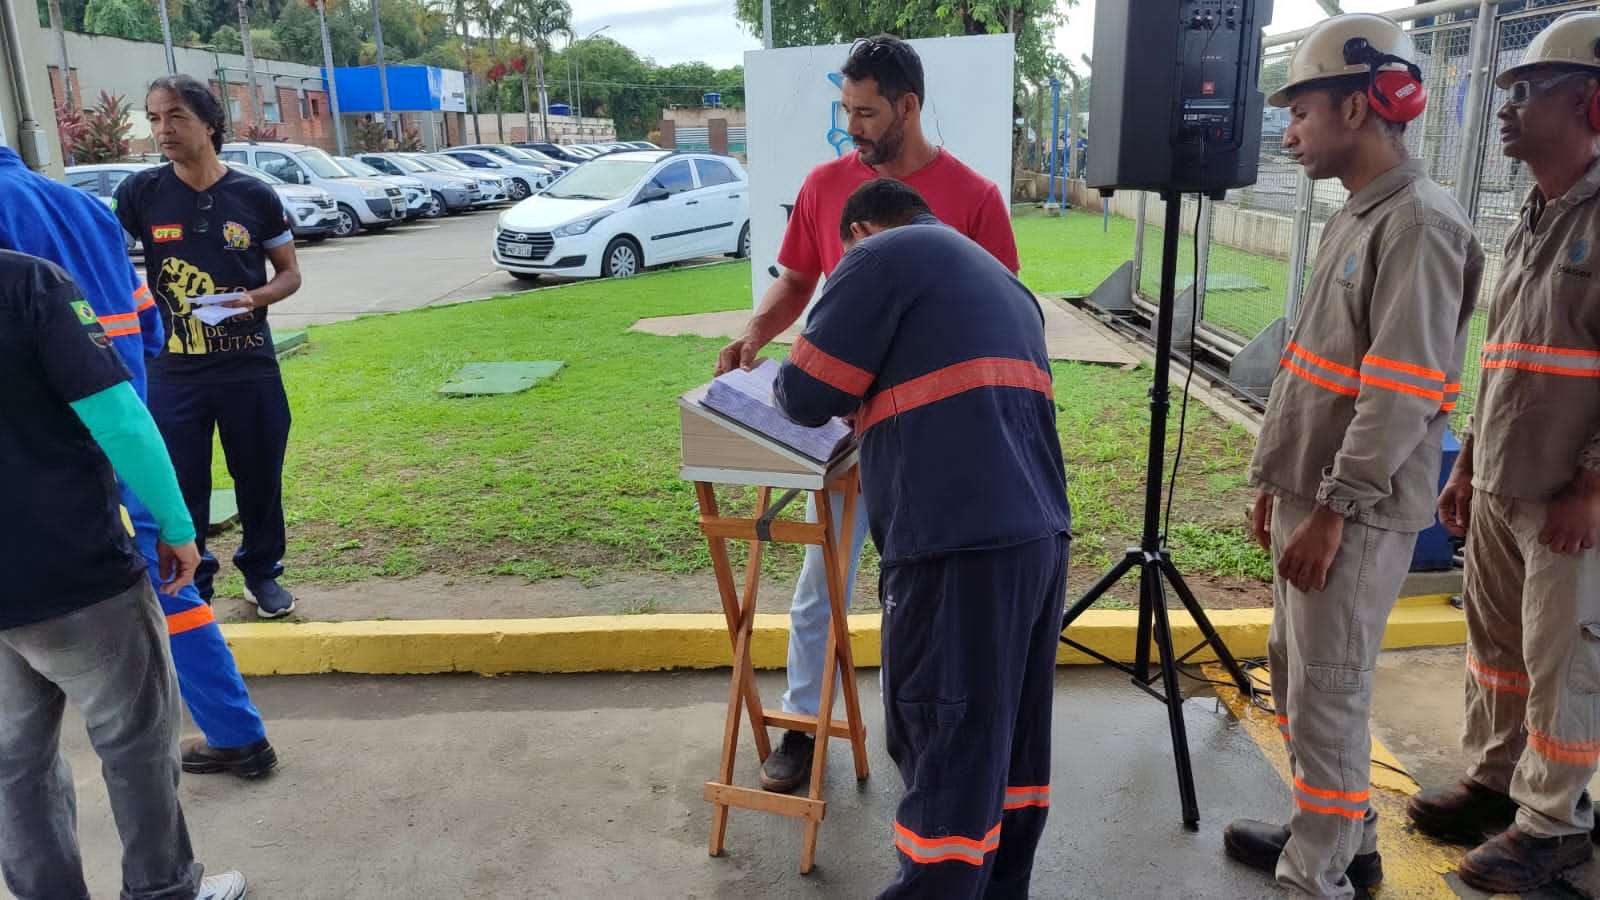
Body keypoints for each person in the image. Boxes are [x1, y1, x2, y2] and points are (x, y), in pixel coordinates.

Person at [715, 33, 1022, 794]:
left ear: (908, 106)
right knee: (820, 583)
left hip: (937, 443)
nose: (850, 127)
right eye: (845, 110)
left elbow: (1004, 309)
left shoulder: (974, 197)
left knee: (930, 592)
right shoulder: (826, 186)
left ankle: (933, 732)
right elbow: (796, 281)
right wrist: (755, 334)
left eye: (865, 113)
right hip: (843, 432)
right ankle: (802, 727)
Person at [1222, 14, 1484, 899]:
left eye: (1302, 112)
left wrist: (1332, 510)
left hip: (1354, 513)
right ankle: (1341, 835)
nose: (1289, 133)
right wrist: (1276, 483)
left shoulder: (1419, 225)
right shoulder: (1362, 212)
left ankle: (1318, 875)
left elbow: (1400, 393)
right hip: (1315, 495)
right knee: (1301, 682)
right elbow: (1316, 370)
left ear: (1361, 107)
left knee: (1328, 694)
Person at [774, 179, 1071, 899]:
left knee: (944, 741)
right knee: (1008, 747)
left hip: (951, 546)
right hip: (1037, 538)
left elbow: (805, 394)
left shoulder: (878, 256)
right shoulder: (999, 279)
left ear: (859, 231)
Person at [0, 141, 278, 780]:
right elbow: (149, 325)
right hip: (125, 423)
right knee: (173, 576)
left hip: (46, 450)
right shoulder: (84, 208)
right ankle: (235, 730)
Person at [1406, 12, 1600, 894]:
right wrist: (1468, 461)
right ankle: (1497, 783)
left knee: (1567, 664)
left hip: (1569, 495)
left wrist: (1591, 485)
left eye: (1528, 90)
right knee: (1497, 649)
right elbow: (1506, 356)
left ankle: (1554, 826)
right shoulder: (1530, 214)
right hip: (1501, 481)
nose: (1506, 107)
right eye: (1507, 91)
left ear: (1591, 103)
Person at [0, 248, 247, 900]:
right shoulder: (27, 282)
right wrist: (176, 524)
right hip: (74, 574)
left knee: (14, 766)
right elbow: (119, 417)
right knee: (136, 746)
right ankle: (163, 890)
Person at [115, 74, 303, 621]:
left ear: (210, 124)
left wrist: (253, 299)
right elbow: (110, 261)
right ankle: (194, 580)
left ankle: (263, 573)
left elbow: (289, 274)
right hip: (173, 371)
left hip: (249, 366)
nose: (163, 130)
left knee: (259, 476)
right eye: (154, 118)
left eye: (176, 116)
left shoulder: (254, 195)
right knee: (181, 482)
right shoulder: (140, 193)